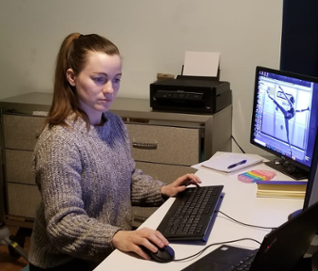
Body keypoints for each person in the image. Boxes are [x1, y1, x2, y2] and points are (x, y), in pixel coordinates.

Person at [28, 33, 201, 271]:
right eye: (99, 79)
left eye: (116, 79)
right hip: (66, 262)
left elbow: (126, 178)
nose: (110, 89)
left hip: (106, 252)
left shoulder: (114, 124)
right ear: (71, 77)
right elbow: (63, 224)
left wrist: (162, 190)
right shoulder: (59, 141)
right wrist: (117, 237)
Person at [267, 86, 309, 157]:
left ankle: (290, 147)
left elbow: (300, 110)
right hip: (287, 115)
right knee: (287, 132)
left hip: (287, 116)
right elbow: (286, 97)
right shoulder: (292, 105)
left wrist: (306, 109)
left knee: (287, 132)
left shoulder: (293, 107)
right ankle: (290, 147)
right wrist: (281, 89)